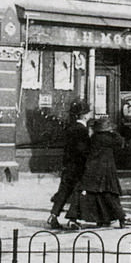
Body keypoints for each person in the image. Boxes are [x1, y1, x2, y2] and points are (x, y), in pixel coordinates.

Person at [64, 118, 131, 229]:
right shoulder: (108, 138)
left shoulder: (94, 138)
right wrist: (113, 132)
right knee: (110, 195)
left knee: (85, 195)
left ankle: (75, 218)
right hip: (105, 172)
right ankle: (121, 218)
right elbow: (120, 141)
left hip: (92, 170)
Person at [47, 99, 92, 230]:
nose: (90, 114)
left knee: (64, 191)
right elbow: (82, 149)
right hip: (78, 166)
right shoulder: (82, 130)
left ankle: (53, 216)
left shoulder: (71, 127)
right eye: (88, 113)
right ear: (83, 115)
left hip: (68, 165)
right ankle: (73, 219)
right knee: (78, 193)